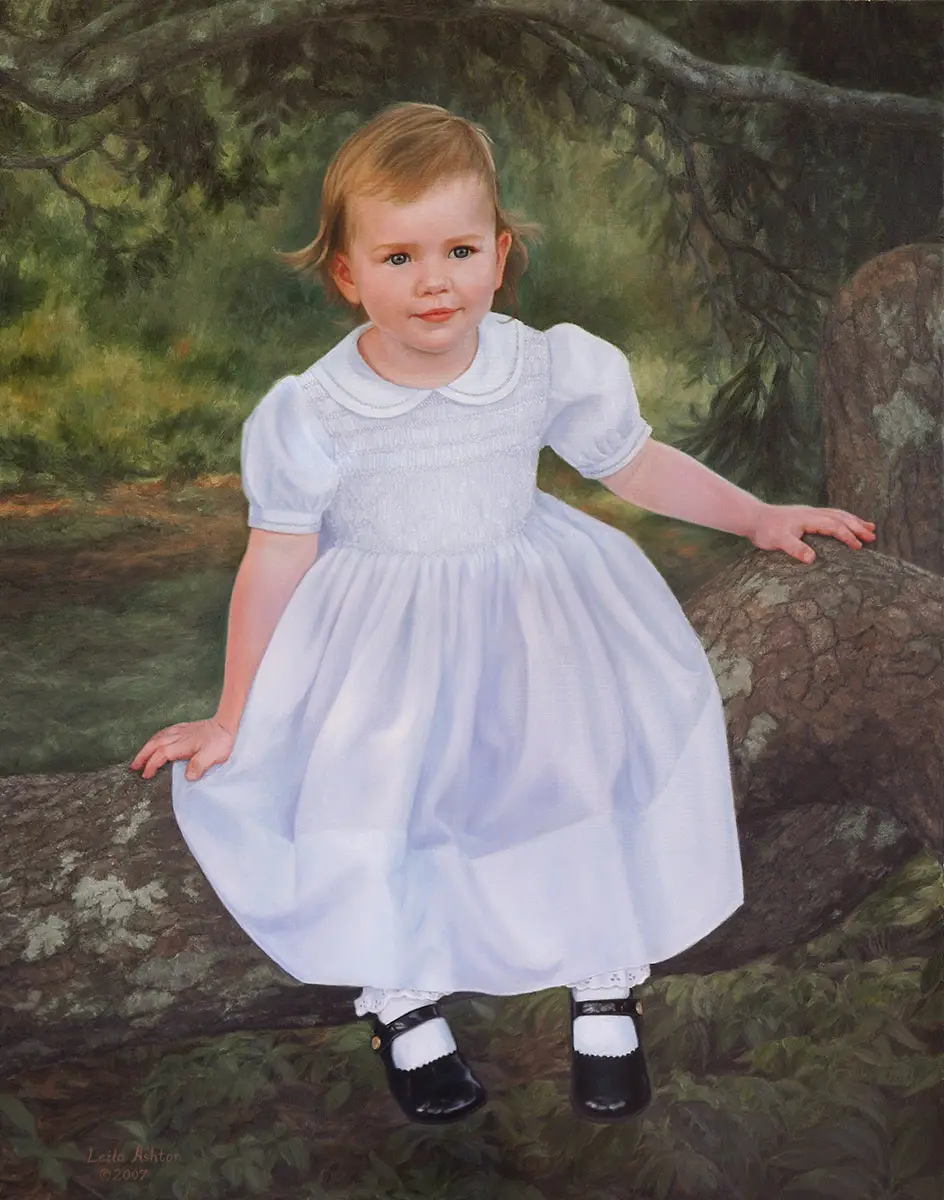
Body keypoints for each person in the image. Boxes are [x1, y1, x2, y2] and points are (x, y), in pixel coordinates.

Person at [131, 102, 876, 1127]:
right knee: (376, 784)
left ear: (499, 254)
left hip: (530, 604)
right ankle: (399, 995)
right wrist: (230, 713)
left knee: (568, 761)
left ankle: (601, 978)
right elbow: (272, 561)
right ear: (347, 275)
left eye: (458, 249)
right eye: (396, 256)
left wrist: (754, 516)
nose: (432, 279)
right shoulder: (312, 411)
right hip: (379, 626)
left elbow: (629, 463)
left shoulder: (541, 366)